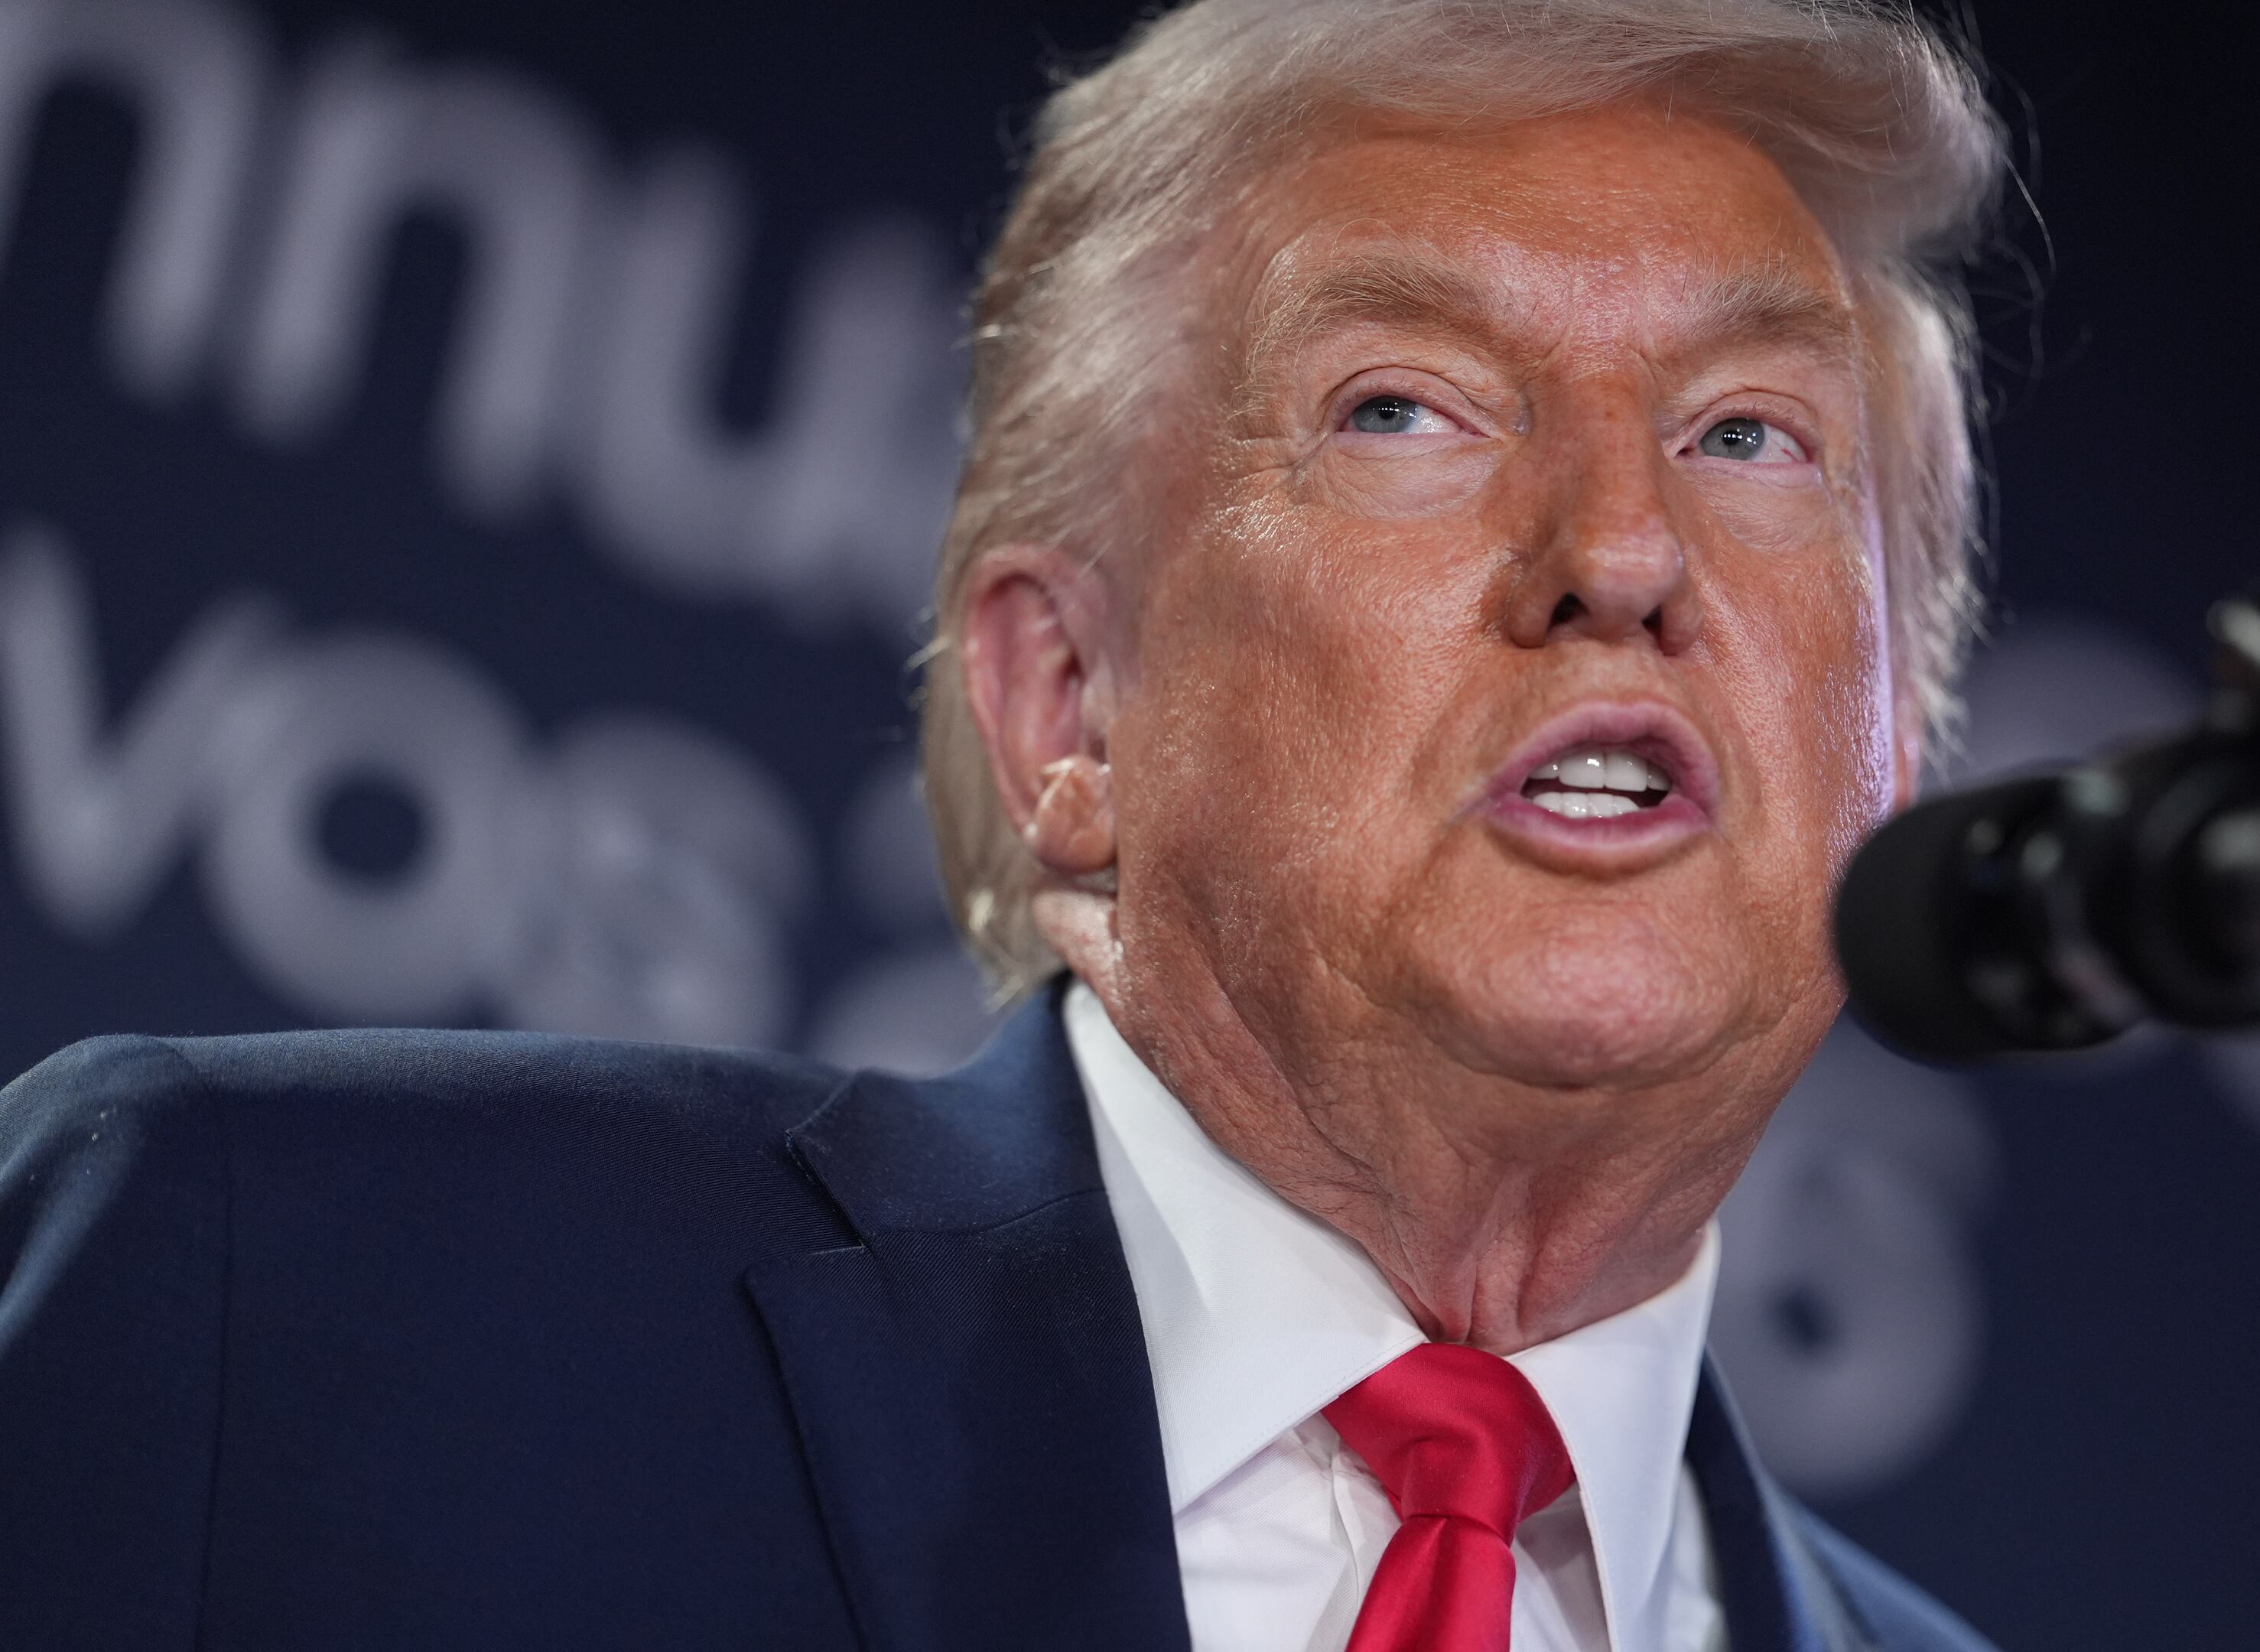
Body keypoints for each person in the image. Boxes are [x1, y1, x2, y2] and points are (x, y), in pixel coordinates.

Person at [0, 1, 2005, 1646]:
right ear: (1068, 701)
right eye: (1405, 407)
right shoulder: (285, 1307)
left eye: (1753, 434)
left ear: (1889, 748)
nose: (1627, 548)